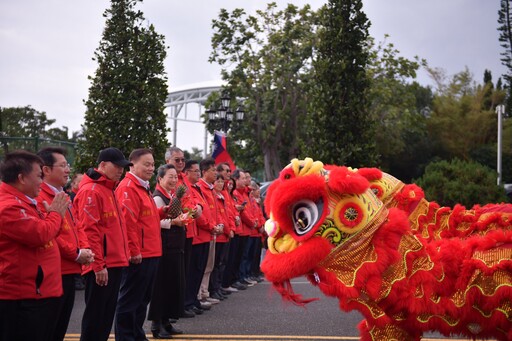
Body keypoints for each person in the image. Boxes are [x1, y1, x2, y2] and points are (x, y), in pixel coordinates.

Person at [0, 150, 68, 341]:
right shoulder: (9, 207)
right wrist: (55, 215)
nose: (41, 181)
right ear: (21, 178)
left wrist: (52, 218)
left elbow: (49, 231)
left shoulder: (25, 203)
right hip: (22, 297)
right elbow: (41, 234)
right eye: (39, 176)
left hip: (38, 292)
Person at [36, 147, 94, 341]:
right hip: (55, 271)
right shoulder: (40, 197)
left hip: (70, 270)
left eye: (67, 165)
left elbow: (77, 226)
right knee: (47, 329)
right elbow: (50, 234)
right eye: (63, 165)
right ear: (46, 170)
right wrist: (76, 254)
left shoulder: (62, 195)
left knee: (60, 327)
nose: (68, 169)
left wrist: (84, 249)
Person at [73, 147, 131, 341]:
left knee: (104, 318)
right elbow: (90, 232)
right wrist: (98, 265)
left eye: (123, 167)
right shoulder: (92, 191)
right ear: (103, 165)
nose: (121, 170)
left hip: (112, 263)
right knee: (96, 318)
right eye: (117, 166)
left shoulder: (108, 188)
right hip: (102, 266)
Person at [115, 148, 171, 341]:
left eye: (153, 164)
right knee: (130, 301)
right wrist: (133, 250)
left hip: (151, 251)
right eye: (146, 164)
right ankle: (126, 336)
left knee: (141, 301)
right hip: (140, 254)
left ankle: (137, 334)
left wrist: (163, 211)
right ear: (132, 164)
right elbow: (127, 222)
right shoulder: (128, 187)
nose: (151, 168)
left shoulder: (142, 186)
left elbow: (146, 217)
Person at [148, 164, 189, 338]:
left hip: (175, 246)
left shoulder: (172, 196)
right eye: (169, 177)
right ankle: (156, 324)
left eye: (175, 177)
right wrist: (174, 222)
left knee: (172, 285)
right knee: (161, 286)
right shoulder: (158, 198)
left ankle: (166, 321)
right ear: (160, 179)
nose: (173, 180)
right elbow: (155, 221)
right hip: (164, 247)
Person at [183, 159, 213, 316]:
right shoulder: (188, 188)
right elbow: (196, 212)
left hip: (203, 235)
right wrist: (209, 225)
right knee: (192, 271)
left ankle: (193, 300)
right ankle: (187, 301)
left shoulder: (195, 188)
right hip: (197, 235)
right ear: (187, 173)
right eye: (195, 171)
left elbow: (203, 209)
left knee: (199, 270)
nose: (198, 173)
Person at [209, 173, 234, 301]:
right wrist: (227, 229)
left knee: (221, 263)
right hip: (219, 234)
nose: (220, 183)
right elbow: (218, 217)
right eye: (217, 181)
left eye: (221, 181)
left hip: (225, 234)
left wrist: (230, 228)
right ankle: (213, 289)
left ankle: (217, 288)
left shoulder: (222, 195)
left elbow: (227, 215)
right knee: (215, 264)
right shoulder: (213, 195)